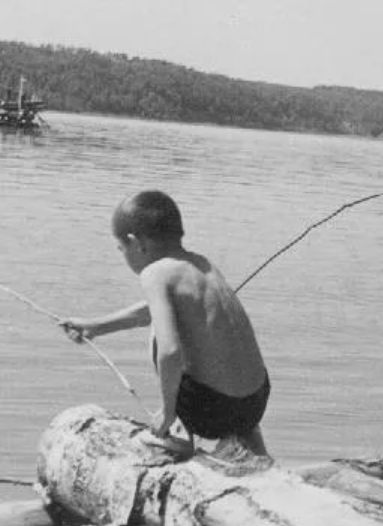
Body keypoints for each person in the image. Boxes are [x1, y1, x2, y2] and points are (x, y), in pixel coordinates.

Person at [61, 190, 271, 457]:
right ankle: (250, 440)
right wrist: (95, 326)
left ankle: (181, 434)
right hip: (255, 404)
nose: (123, 256)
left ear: (136, 243)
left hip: (213, 412)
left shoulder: (154, 273)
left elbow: (170, 351)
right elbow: (150, 310)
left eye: (121, 249)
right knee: (208, 338)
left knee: (160, 335)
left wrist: (168, 411)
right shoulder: (201, 263)